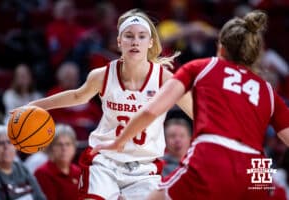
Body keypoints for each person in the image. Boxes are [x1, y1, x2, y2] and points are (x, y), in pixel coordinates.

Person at [92, 10, 289, 200]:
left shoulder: (202, 67)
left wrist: (118, 142)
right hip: (257, 166)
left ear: (221, 47)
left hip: (215, 151)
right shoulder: (268, 90)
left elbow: (152, 110)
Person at [24, 8, 192, 199]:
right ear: (119, 42)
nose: (135, 41)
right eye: (129, 36)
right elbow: (78, 96)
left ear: (150, 42)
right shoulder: (102, 75)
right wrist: (35, 105)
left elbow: (195, 111)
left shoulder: (164, 79)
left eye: (141, 36)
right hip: (105, 161)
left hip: (144, 167)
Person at [0, 125, 46, 200]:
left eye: (9, 142)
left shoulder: (22, 168)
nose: (6, 147)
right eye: (1, 143)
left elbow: (40, 197)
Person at [34, 124, 81, 200]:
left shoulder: (78, 171)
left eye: (68, 144)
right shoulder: (42, 173)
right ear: (51, 148)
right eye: (59, 144)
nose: (64, 149)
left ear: (74, 147)